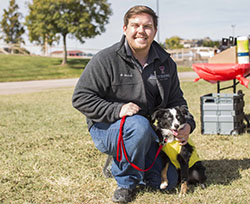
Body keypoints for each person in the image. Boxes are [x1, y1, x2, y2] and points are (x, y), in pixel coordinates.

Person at [72, 5, 195, 203]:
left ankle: (125, 159)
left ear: (155, 30)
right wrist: (117, 109)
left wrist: (189, 124)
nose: (141, 31)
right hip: (108, 127)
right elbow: (80, 97)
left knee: (167, 182)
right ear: (125, 29)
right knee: (138, 126)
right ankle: (125, 183)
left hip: (149, 133)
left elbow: (177, 101)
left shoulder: (166, 62)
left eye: (147, 26)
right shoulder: (106, 59)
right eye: (135, 25)